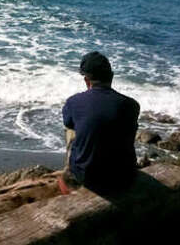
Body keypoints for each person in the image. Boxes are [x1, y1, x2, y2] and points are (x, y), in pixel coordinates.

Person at [60, 51, 140, 195]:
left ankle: (69, 176)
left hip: (88, 178)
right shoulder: (132, 105)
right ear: (111, 77)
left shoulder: (74, 102)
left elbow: (68, 123)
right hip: (125, 177)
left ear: (86, 80)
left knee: (72, 128)